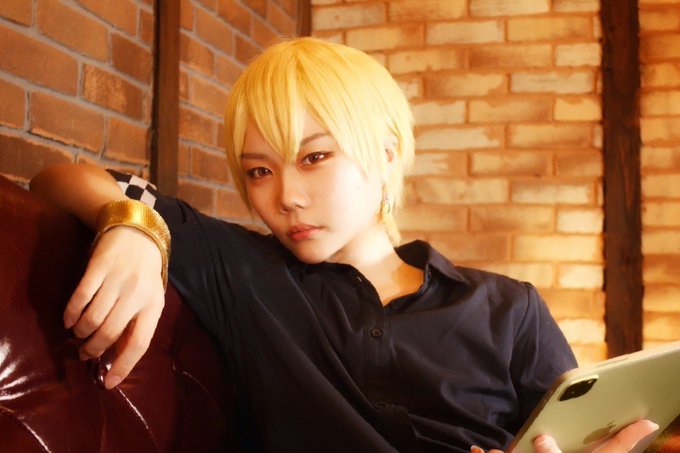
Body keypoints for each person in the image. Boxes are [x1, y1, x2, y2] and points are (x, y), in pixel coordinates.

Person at [30, 37, 657, 452]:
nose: (286, 197)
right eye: (259, 171)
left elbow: (575, 436)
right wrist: (134, 226)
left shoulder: (507, 308)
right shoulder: (246, 273)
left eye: (314, 157)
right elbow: (60, 178)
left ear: (385, 154)